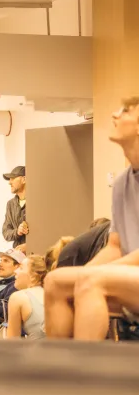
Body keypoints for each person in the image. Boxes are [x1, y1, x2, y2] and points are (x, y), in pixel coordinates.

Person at [44, 97, 139, 340]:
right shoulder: (121, 183)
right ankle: (59, 365)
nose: (115, 115)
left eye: (125, 111)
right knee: (56, 282)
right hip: (132, 275)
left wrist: (88, 277)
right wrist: (84, 273)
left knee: (91, 282)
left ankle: (82, 374)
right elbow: (115, 247)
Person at [2, 166, 28, 250]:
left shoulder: (36, 201)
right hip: (18, 256)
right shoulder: (10, 204)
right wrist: (17, 231)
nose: (9, 182)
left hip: (34, 255)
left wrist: (29, 246)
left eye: (13, 178)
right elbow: (6, 232)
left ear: (24, 179)